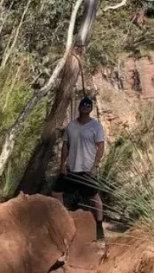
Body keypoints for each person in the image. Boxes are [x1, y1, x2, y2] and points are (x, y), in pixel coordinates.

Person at [53, 97, 106, 240]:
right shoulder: (71, 126)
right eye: (83, 105)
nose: (85, 107)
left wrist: (95, 165)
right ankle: (62, 221)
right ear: (79, 107)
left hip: (87, 168)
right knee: (56, 192)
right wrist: (62, 164)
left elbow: (100, 146)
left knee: (94, 197)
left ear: (91, 109)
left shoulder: (96, 126)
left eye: (88, 105)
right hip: (71, 168)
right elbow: (65, 145)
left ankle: (99, 227)